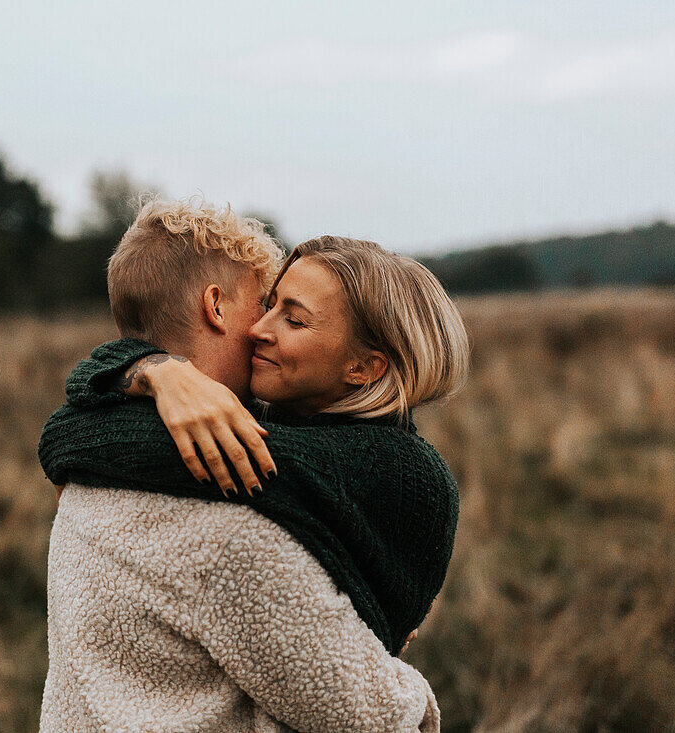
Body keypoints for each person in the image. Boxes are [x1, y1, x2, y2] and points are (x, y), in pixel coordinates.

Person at [38, 199, 453, 732]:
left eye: (291, 316)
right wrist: (400, 676)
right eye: (263, 303)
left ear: (365, 366)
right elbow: (368, 715)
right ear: (215, 306)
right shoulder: (231, 516)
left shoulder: (92, 471)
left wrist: (151, 369)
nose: (261, 328)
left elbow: (64, 431)